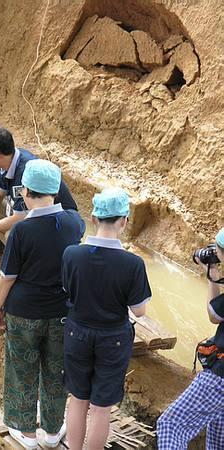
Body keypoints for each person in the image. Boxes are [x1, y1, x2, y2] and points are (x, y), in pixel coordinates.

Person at [0, 159, 85, 449]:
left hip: (24, 311)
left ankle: (27, 434)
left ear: (26, 192)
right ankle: (54, 430)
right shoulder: (74, 223)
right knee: (56, 370)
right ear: (55, 192)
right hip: (61, 311)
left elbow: (8, 276)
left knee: (22, 369)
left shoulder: (22, 231)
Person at [61, 188, 151, 450]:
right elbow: (140, 311)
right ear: (124, 221)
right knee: (101, 408)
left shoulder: (71, 254)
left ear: (93, 218)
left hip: (77, 333)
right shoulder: (132, 264)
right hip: (113, 338)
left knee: (77, 399)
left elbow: (68, 291)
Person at [0, 127, 78, 258]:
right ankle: (3, 247)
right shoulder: (8, 160)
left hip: (56, 222)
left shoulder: (24, 172)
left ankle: (23, 265)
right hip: (27, 212)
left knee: (12, 234)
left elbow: (20, 217)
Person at [156, 228, 224, 449]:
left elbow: (215, 315)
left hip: (220, 376)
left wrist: (212, 274)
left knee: (171, 426)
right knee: (218, 436)